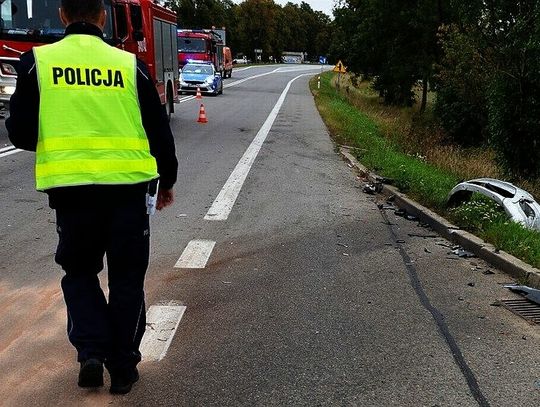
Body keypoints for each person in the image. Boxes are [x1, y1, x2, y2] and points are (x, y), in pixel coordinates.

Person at [6, 0, 178, 395]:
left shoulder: (38, 62)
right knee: (127, 278)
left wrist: (61, 141)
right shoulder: (128, 65)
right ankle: (123, 369)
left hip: (72, 193)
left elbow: (18, 131)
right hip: (128, 191)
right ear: (104, 17)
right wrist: (166, 181)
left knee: (80, 273)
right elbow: (158, 131)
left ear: (63, 15)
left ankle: (90, 353)